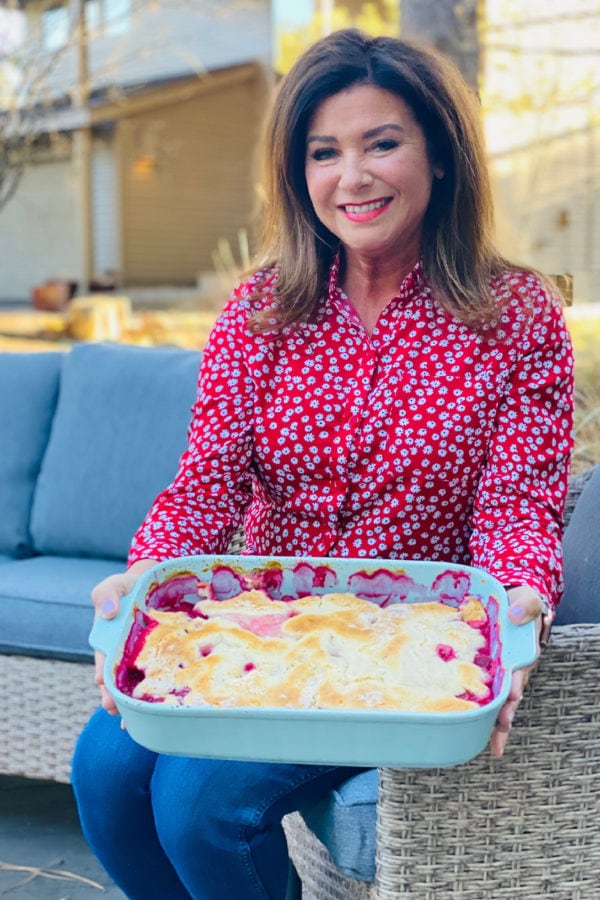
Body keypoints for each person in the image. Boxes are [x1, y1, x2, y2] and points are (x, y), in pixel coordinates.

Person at [71, 28, 574, 900]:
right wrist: (144, 578)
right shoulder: (260, 310)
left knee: (197, 804)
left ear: (441, 155)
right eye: (324, 153)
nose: (354, 177)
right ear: (297, 173)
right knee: (104, 774)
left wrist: (515, 612)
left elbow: (518, 505)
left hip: (402, 645)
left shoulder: (516, 315)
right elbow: (206, 484)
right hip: (248, 627)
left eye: (383, 143)